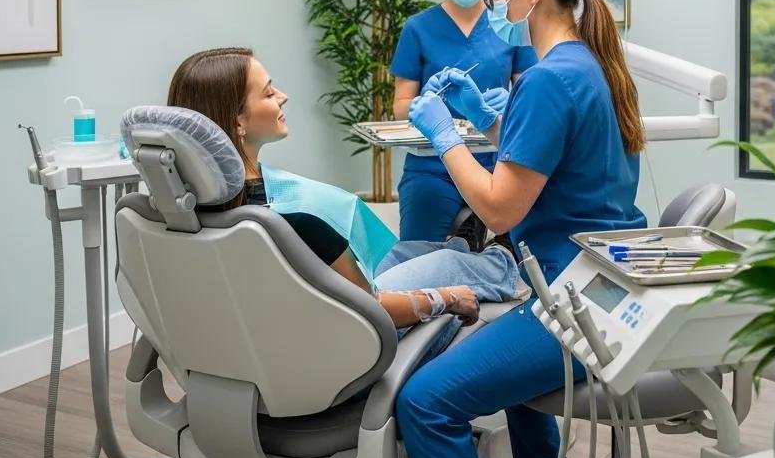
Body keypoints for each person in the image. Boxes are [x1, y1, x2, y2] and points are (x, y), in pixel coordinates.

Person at [399, 0, 647, 458]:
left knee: (426, 402)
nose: (491, 7)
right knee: (489, 348)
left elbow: (500, 207)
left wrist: (441, 134)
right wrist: (485, 121)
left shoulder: (549, 80)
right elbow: (550, 168)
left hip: (572, 300)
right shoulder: (589, 67)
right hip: (599, 285)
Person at [167, 47, 528, 338]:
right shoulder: (292, 224)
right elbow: (366, 309)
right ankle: (505, 260)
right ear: (237, 121)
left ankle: (466, 248)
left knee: (409, 250)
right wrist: (447, 297)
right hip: (346, 347)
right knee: (451, 267)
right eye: (268, 92)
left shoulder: (191, 210)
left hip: (287, 326)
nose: (283, 96)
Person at [391, 0, 535, 242]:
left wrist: (507, 103)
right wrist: (423, 106)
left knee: (510, 260)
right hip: (432, 165)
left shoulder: (508, 26)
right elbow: (401, 105)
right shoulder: (418, 28)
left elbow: (530, 97)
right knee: (416, 256)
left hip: (500, 161)